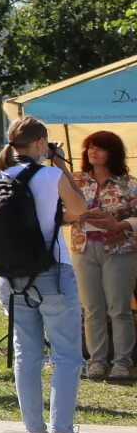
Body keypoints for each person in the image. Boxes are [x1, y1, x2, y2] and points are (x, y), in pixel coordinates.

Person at [0, 116, 94, 433]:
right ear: (40, 144)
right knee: (66, 354)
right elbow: (80, 207)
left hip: (11, 276)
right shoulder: (51, 175)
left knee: (27, 354)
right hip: (51, 273)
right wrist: (59, 163)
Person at [72, 130, 137, 380]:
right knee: (91, 308)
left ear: (114, 153)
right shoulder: (77, 181)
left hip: (119, 250)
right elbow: (62, 212)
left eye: (100, 147)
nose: (93, 151)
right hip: (84, 248)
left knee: (119, 308)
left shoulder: (128, 184)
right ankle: (96, 360)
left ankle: (122, 361)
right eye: (90, 146)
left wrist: (120, 225)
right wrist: (76, 216)